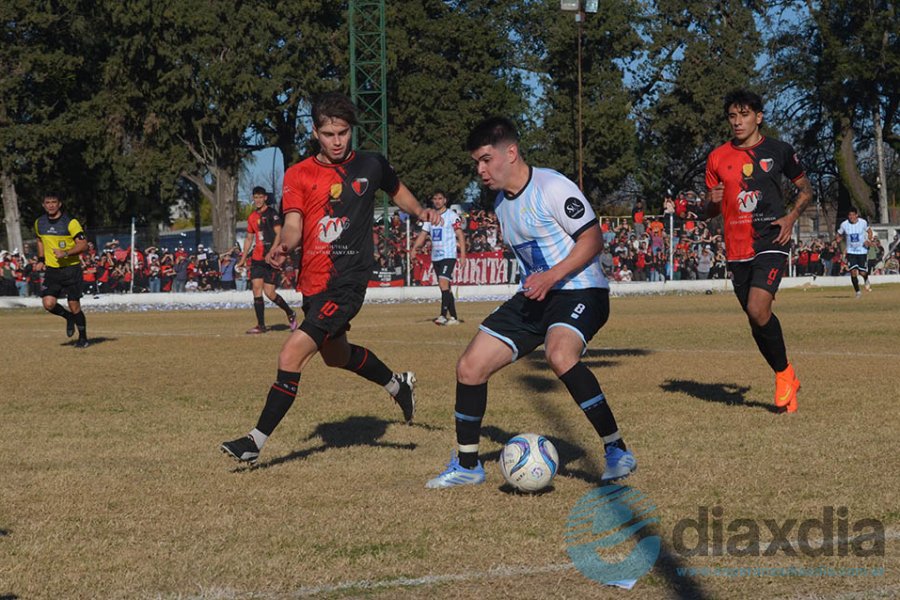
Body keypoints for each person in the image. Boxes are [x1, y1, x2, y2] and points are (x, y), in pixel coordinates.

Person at [220, 92, 441, 465]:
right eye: (328, 133)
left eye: (343, 132)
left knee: (291, 353)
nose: (337, 141)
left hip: (350, 279)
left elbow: (396, 188)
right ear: (315, 132)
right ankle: (397, 385)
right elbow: (293, 225)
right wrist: (283, 247)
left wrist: (420, 210)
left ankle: (254, 442)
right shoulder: (298, 174)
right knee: (336, 357)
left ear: (351, 130)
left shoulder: (371, 165)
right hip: (313, 282)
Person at [425, 117, 636, 489]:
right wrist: (541, 283)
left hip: (581, 291)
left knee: (559, 354)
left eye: (486, 159)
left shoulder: (553, 186)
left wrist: (551, 277)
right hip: (537, 295)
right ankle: (468, 466)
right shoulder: (501, 205)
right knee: (469, 367)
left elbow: (592, 240)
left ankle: (617, 450)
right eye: (477, 162)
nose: (480, 169)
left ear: (511, 152)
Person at [704, 89, 812, 413]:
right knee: (757, 321)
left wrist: (791, 217)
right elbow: (710, 209)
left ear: (758, 117)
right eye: (733, 117)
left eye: (744, 115)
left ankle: (782, 376)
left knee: (757, 308)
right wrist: (708, 203)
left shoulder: (779, 150)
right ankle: (786, 374)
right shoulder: (717, 157)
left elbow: (805, 189)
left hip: (771, 240)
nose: (738, 122)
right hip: (736, 249)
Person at [236, 186, 297, 333]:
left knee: (270, 293)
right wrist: (243, 258)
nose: (257, 200)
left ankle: (290, 312)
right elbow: (249, 238)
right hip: (257, 259)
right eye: (255, 197)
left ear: (265, 198)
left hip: (271, 259)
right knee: (256, 289)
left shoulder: (272, 214)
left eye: (260, 197)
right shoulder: (252, 217)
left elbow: (279, 233)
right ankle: (261, 325)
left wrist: (272, 251)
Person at [34, 194, 90, 348]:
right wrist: (41, 259)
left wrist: (66, 253)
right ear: (43, 205)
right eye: (47, 203)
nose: (51, 205)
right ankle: (68, 317)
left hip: (71, 269)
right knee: (48, 304)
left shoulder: (71, 222)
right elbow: (39, 240)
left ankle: (83, 338)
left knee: (74, 306)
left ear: (59, 204)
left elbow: (84, 245)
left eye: (54, 202)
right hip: (52, 271)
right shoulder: (39, 223)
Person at [412, 191, 467, 325]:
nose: (437, 201)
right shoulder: (430, 217)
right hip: (435, 256)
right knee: (445, 287)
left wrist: (463, 255)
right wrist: (414, 249)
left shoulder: (452, 216)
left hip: (448, 255)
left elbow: (460, 235)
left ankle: (443, 316)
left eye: (440, 198)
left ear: (445, 200)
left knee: (443, 283)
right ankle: (454, 317)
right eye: (435, 198)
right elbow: (423, 235)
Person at [835, 207, 873, 298]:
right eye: (849, 215)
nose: (851, 217)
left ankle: (866, 279)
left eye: (853, 215)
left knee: (862, 272)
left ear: (856, 215)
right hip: (851, 251)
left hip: (862, 251)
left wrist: (868, 240)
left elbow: (870, 231)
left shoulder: (863, 222)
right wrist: (838, 239)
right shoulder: (844, 224)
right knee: (852, 271)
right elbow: (839, 234)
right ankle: (858, 292)